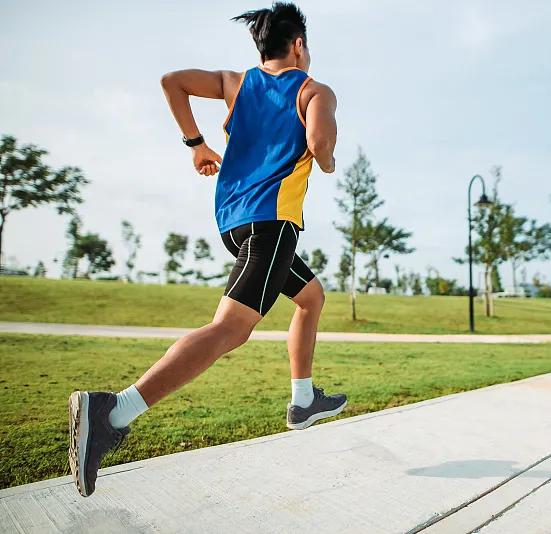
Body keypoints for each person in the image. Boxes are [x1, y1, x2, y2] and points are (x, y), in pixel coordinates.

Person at [68, 2, 345, 498]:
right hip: (272, 225)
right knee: (230, 329)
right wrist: (324, 158)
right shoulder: (313, 90)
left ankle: (303, 400)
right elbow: (320, 142)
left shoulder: (236, 84)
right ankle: (113, 411)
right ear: (299, 44)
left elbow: (172, 81)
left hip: (234, 223)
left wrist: (196, 143)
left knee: (311, 297)